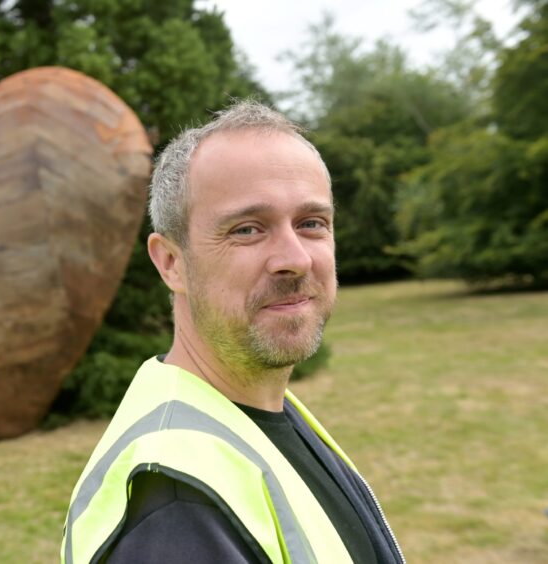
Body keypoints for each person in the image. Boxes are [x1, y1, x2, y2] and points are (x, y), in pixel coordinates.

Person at [61, 101, 405, 564]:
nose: (295, 259)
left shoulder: (253, 416)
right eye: (247, 229)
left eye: (311, 224)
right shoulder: (176, 502)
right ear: (171, 263)